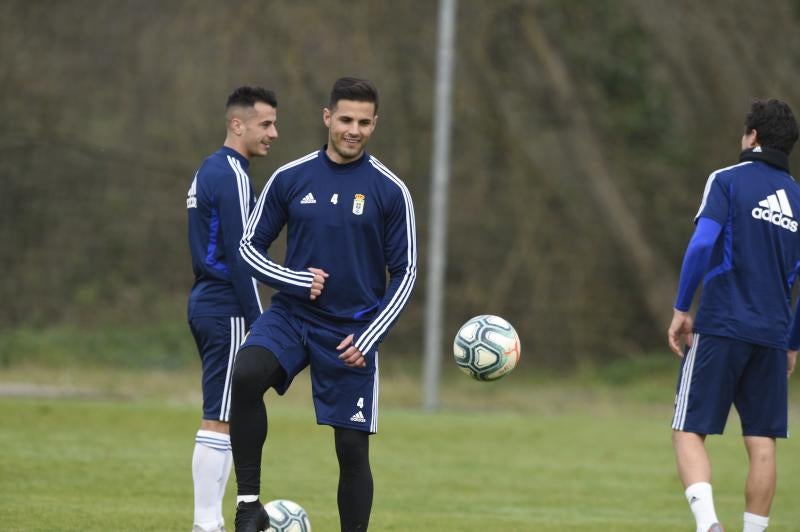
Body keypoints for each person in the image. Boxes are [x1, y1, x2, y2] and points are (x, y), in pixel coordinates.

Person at [229, 76, 417, 532]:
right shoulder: (290, 177)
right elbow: (248, 248)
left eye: (364, 122)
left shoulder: (390, 191)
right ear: (327, 117)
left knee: (352, 449)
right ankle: (248, 506)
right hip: (292, 318)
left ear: (374, 125)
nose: (354, 129)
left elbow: (406, 273)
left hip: (352, 332)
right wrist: (294, 279)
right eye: (346, 119)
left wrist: (370, 337)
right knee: (246, 373)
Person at [667, 99, 800, 532]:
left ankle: (709, 526)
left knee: (688, 430)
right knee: (762, 442)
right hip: (772, 335)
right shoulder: (798, 200)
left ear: (753, 137)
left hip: (722, 324)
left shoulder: (726, 180)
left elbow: (703, 245)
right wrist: (792, 342)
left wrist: (682, 306)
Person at [186, 86, 279, 532]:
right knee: (220, 417)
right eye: (266, 124)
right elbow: (242, 257)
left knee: (221, 411)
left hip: (206, 302)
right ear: (237, 124)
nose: (274, 133)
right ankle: (207, 524)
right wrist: (260, 323)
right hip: (227, 308)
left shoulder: (208, 169)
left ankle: (209, 522)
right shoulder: (234, 175)